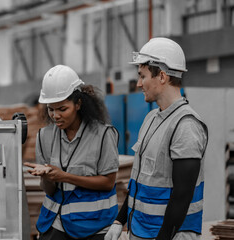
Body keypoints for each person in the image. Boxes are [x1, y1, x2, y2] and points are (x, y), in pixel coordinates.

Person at [105, 37, 208, 240]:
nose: (139, 83)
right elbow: (139, 181)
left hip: (171, 235)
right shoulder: (152, 118)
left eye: (142, 76)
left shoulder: (185, 125)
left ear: (162, 76)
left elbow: (182, 195)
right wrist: (120, 220)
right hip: (143, 231)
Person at [24, 65, 120, 240]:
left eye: (62, 109)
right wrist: (47, 177)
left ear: (78, 104)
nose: (55, 116)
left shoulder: (103, 135)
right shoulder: (44, 136)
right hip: (55, 223)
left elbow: (108, 182)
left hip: (94, 226)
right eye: (51, 109)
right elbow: (49, 190)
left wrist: (65, 176)